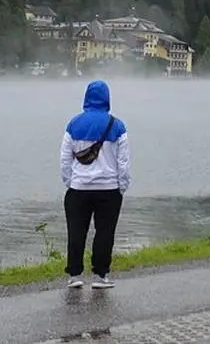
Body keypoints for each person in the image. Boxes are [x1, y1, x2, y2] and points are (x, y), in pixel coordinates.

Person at [60, 79, 130, 289]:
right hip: (108, 189)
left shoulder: (73, 124)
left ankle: (74, 274)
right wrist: (122, 186)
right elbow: (123, 161)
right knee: (105, 232)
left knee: (76, 231)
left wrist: (69, 182)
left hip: (79, 188)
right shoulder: (117, 125)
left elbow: (65, 159)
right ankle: (101, 275)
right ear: (107, 98)